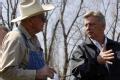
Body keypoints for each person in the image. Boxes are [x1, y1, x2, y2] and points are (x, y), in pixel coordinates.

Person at [0, 0, 56, 80]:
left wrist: (45, 70)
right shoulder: (16, 38)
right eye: (42, 18)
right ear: (30, 21)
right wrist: (37, 73)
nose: (45, 21)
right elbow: (6, 73)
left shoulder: (35, 40)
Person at [70, 11, 120, 80]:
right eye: (86, 25)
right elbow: (77, 72)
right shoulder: (81, 50)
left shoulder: (117, 47)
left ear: (103, 26)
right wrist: (97, 61)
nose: (88, 28)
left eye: (92, 24)